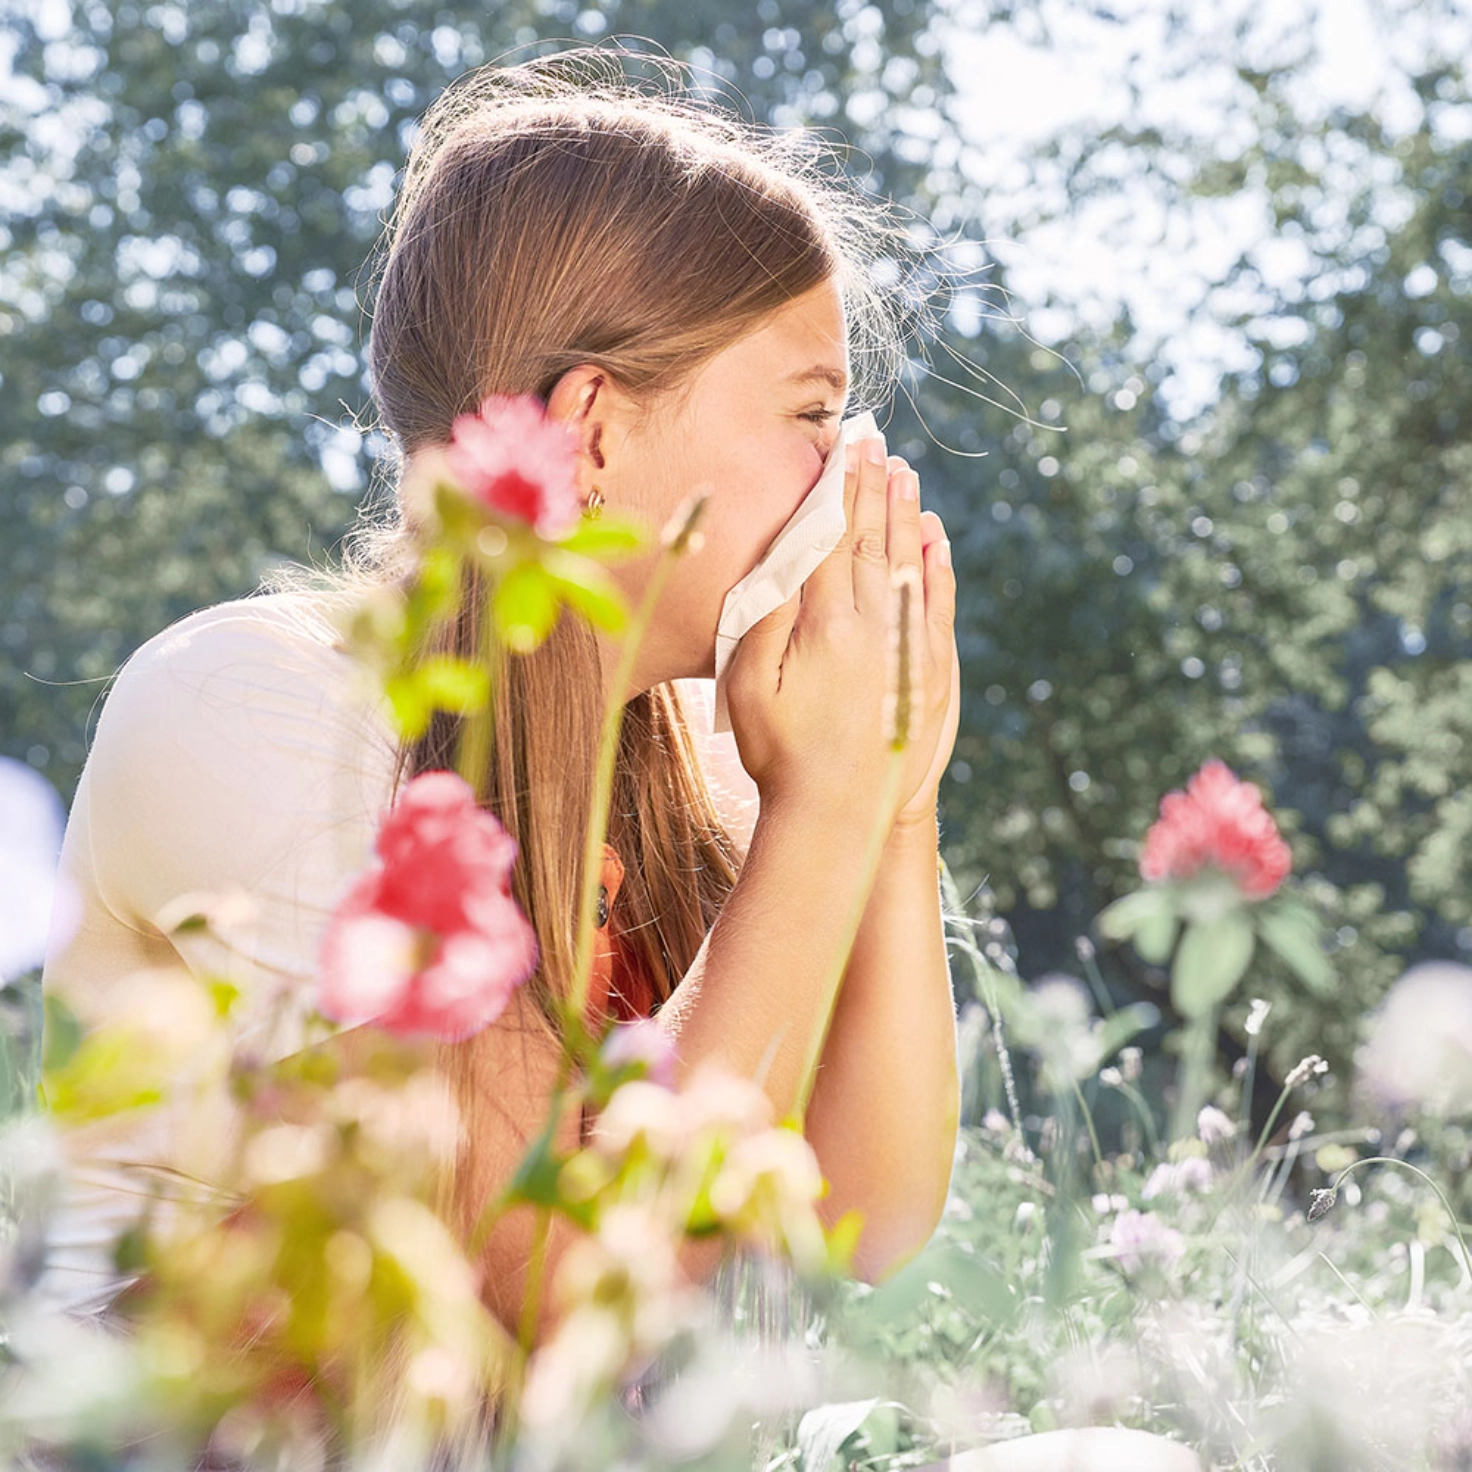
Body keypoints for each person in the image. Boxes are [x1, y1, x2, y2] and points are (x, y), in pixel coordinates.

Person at [41, 48, 1199, 1472]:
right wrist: (828, 806)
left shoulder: (686, 749)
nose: (853, 474)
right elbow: (538, 1276)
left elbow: (859, 1219)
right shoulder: (257, 703)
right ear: (593, 433)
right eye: (809, 411)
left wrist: (887, 797)